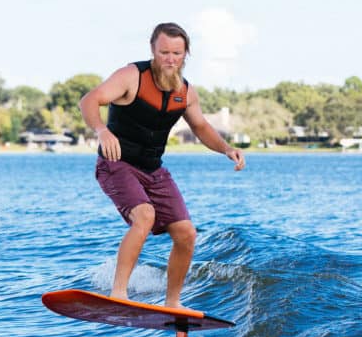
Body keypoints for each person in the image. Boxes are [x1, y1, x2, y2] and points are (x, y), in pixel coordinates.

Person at [79, 22, 246, 309]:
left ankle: (173, 303)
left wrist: (227, 149)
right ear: (153, 51)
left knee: (186, 234)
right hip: (117, 164)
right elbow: (89, 101)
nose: (170, 59)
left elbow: (201, 127)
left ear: (185, 55)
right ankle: (118, 293)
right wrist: (101, 131)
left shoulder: (185, 92)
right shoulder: (133, 76)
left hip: (154, 171)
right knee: (144, 215)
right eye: (164, 52)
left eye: (177, 53)